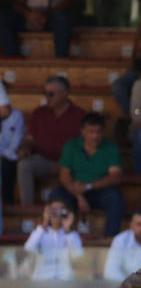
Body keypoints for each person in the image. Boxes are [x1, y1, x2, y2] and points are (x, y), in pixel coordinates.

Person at [52, 112, 124, 238]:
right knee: (57, 195)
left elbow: (116, 177)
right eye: (91, 132)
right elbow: (64, 176)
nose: (95, 136)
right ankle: (58, 239)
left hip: (98, 191)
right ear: (82, 131)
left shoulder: (110, 148)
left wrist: (88, 186)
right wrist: (79, 196)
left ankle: (109, 241)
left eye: (99, 132)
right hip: (74, 191)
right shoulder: (71, 145)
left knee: (115, 198)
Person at [15, 75, 82, 206]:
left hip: (70, 163)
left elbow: (84, 147)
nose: (47, 97)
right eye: (45, 93)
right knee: (23, 165)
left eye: (51, 94)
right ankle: (26, 209)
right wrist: (25, 148)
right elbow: (30, 139)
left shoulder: (79, 115)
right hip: (44, 160)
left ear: (65, 93)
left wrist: (65, 164)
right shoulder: (39, 113)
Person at [22, 199, 81, 280]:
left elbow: (78, 255)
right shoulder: (40, 232)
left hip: (64, 281)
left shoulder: (71, 234)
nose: (58, 213)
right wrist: (45, 222)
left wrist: (67, 228)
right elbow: (28, 248)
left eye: (61, 210)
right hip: (42, 279)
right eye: (54, 210)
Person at [0, 81, 23, 207]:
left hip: (8, 158)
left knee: (7, 166)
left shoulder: (16, 115)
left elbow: (16, 142)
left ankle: (8, 204)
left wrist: (4, 154)